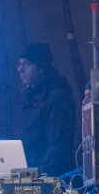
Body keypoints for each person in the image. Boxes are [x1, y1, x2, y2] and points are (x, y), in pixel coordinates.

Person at [16, 43, 78, 177]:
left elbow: (58, 146)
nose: (20, 70)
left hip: (48, 177)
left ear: (41, 68)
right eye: (19, 64)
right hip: (31, 174)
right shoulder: (29, 98)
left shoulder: (57, 98)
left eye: (25, 64)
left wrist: (39, 174)